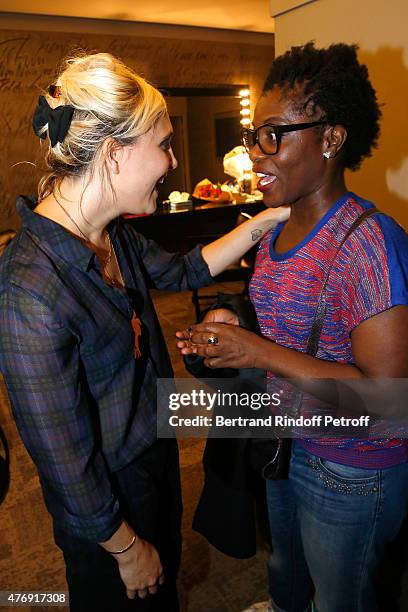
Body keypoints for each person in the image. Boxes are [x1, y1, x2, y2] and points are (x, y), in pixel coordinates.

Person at [0, 52, 289, 612]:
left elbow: (184, 270)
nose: (173, 161)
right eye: (164, 144)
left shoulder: (110, 236)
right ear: (113, 154)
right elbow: (65, 463)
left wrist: (266, 221)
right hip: (109, 509)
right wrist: (126, 549)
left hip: (152, 454)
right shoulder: (28, 292)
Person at [177, 42, 408, 612]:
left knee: (339, 599)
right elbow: (294, 322)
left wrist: (256, 352)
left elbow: (385, 401)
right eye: (255, 134)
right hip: (287, 439)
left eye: (274, 135)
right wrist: (234, 320)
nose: (256, 152)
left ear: (331, 139)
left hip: (350, 466)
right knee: (286, 571)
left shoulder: (369, 245)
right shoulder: (277, 230)